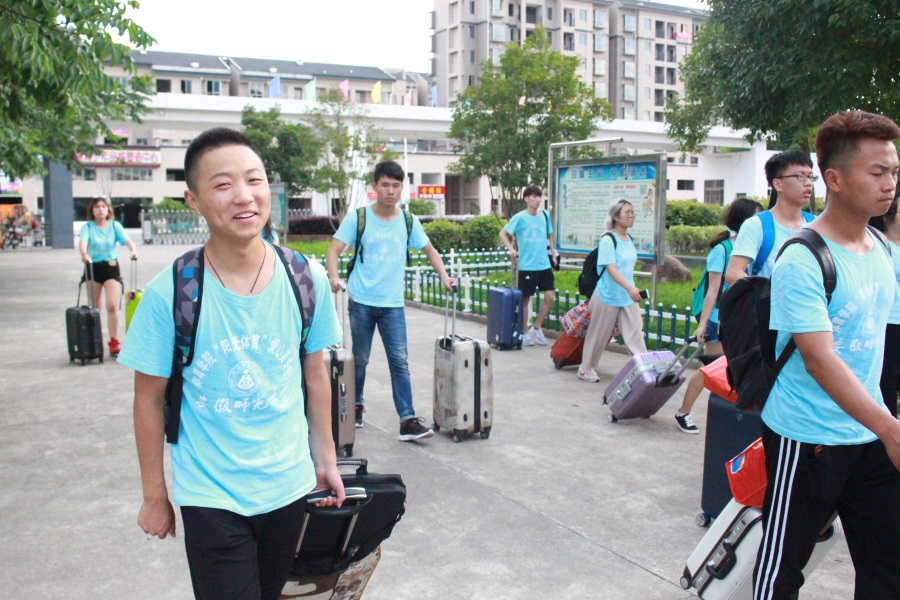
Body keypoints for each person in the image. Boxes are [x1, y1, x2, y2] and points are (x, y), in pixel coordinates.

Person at [118, 127, 345, 600]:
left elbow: (315, 375)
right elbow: (148, 401)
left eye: (254, 180)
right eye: (222, 185)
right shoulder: (170, 293)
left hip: (288, 486)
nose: (244, 196)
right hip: (211, 494)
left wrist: (325, 459)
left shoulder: (306, 279)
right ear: (194, 201)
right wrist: (154, 494)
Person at [753, 110, 900, 599]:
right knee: (781, 570)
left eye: (894, 172)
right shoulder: (802, 257)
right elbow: (818, 359)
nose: (889, 184)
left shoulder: (880, 247)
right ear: (834, 179)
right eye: (876, 172)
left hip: (870, 433)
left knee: (888, 566)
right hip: (807, 437)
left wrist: (883, 424)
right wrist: (890, 428)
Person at [325, 160, 456, 440]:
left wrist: (445, 277)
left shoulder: (408, 221)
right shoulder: (359, 218)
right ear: (375, 186)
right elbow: (333, 250)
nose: (391, 191)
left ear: (401, 189)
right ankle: (356, 405)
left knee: (399, 361)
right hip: (361, 301)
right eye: (385, 185)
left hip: (392, 305)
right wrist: (333, 277)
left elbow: (430, 251)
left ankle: (407, 420)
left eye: (396, 186)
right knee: (360, 360)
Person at [674, 198, 762, 434]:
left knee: (731, 371)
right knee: (712, 370)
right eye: (755, 218)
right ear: (743, 221)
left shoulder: (753, 248)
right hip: (718, 319)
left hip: (740, 319)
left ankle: (730, 417)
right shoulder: (722, 250)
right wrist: (703, 325)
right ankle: (683, 411)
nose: (760, 223)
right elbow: (712, 291)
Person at [578, 199, 647, 383]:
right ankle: (585, 369)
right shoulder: (608, 240)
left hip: (627, 296)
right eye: (627, 212)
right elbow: (611, 269)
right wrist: (629, 287)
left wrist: (631, 289)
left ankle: (645, 369)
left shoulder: (629, 239)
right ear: (615, 216)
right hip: (607, 295)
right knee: (598, 335)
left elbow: (627, 269)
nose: (631, 216)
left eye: (633, 212)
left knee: (635, 335)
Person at [725, 151, 818, 284]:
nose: (808, 183)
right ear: (777, 184)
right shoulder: (756, 225)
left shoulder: (816, 224)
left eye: (810, 176)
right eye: (800, 176)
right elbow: (733, 272)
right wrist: (770, 292)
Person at [499, 185, 559, 346]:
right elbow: (502, 233)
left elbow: (550, 235)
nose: (538, 200)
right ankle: (524, 331)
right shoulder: (519, 218)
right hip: (526, 265)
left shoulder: (545, 215)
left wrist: (554, 254)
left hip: (544, 264)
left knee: (549, 296)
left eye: (539, 197)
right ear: (526, 199)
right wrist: (511, 249)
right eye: (534, 196)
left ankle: (537, 327)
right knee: (525, 300)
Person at [78, 196, 138, 356]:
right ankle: (94, 341)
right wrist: (84, 254)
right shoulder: (87, 227)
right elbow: (83, 243)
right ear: (92, 210)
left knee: (111, 305)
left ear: (108, 209)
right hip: (93, 266)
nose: (100, 210)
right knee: (95, 308)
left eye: (103, 207)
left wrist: (133, 250)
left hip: (110, 267)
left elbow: (127, 240)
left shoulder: (114, 225)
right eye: (97, 207)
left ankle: (113, 341)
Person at [869, 191, 900, 416]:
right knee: (887, 378)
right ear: (888, 216)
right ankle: (887, 426)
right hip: (890, 321)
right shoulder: (879, 244)